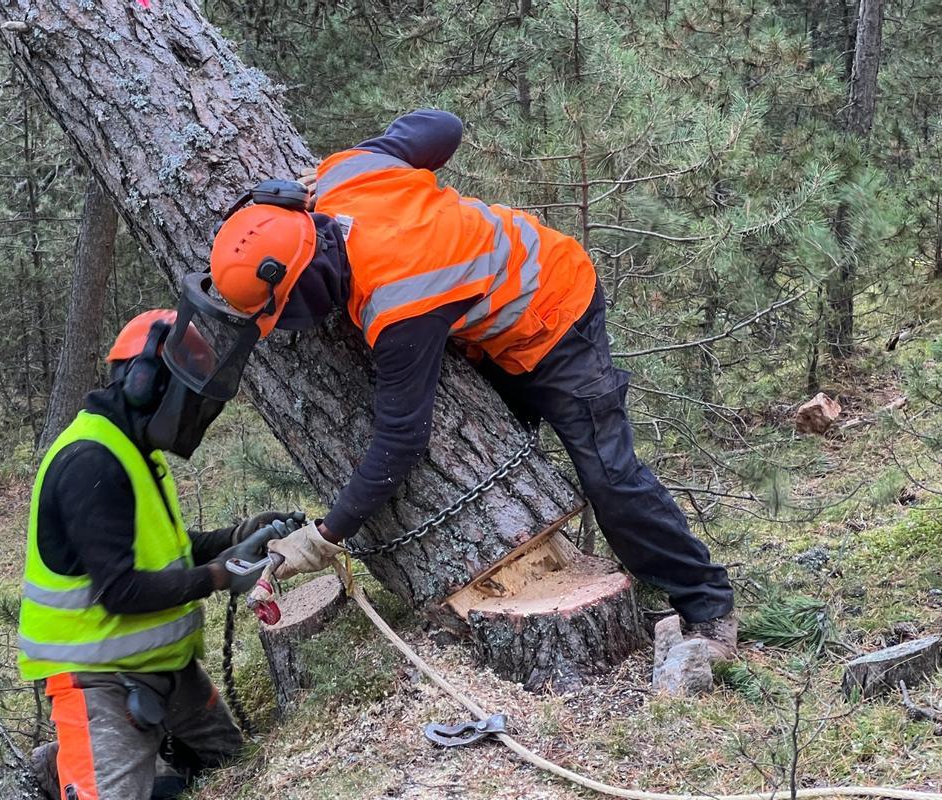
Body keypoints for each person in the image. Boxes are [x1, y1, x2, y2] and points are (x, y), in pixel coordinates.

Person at [208, 110, 737, 658]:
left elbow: (401, 439)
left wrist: (327, 535)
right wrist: (343, 168)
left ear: (308, 281)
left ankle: (708, 604)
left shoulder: (398, 300)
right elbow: (442, 126)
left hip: (557, 314)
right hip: (494, 321)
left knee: (610, 477)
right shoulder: (346, 174)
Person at [17, 309, 301, 800]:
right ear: (143, 382)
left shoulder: (132, 448)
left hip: (168, 669)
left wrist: (236, 535)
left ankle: (136, 759)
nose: (191, 410)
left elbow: (164, 549)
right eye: (185, 394)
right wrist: (217, 576)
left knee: (232, 766)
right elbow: (121, 590)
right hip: (98, 681)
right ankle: (63, 766)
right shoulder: (90, 461)